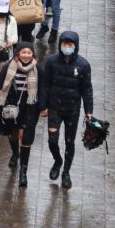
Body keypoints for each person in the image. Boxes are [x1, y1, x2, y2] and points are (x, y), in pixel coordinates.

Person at [38, 31, 94, 189]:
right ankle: (58, 161)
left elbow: (87, 90)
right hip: (55, 107)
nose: (67, 47)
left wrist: (89, 111)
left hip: (72, 109)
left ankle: (66, 172)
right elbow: (45, 85)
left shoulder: (83, 65)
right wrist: (43, 106)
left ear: (75, 46)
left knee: (69, 141)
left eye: (70, 45)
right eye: (64, 44)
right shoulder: (51, 62)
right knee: (52, 140)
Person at [0, 43, 40, 188]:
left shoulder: (38, 70)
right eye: (23, 52)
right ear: (18, 54)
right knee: (12, 134)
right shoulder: (8, 67)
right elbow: (0, 86)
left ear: (33, 55)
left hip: (29, 108)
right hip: (10, 106)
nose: (26, 55)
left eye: (29, 52)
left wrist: (44, 107)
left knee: (24, 137)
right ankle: (15, 153)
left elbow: (43, 89)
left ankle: (23, 172)